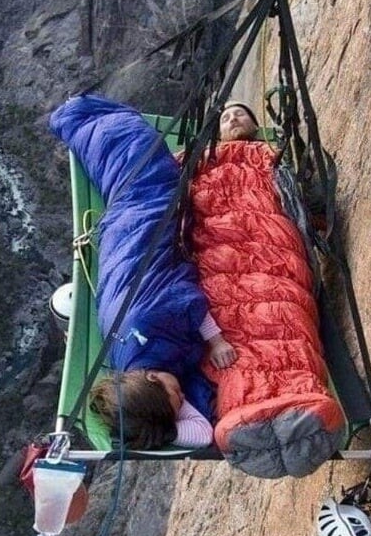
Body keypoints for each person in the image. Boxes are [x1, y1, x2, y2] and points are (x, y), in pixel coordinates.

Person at [50, 94, 242, 450]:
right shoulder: (133, 374)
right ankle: (75, 118)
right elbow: (200, 434)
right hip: (127, 238)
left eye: (174, 394)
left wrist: (216, 340)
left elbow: (187, 302)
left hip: (139, 221)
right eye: (179, 405)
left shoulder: (146, 324)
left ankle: (75, 115)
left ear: (152, 378)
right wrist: (164, 429)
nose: (182, 397)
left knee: (148, 165)